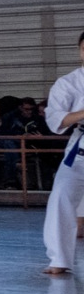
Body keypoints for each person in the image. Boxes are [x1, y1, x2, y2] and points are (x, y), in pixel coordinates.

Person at [45, 35, 84, 275]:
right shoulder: (69, 83)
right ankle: (59, 259)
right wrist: (82, 113)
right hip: (79, 155)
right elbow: (55, 119)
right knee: (60, 197)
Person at [0, 97, 53, 191]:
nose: (30, 112)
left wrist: (33, 135)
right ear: (20, 108)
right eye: (27, 109)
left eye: (32, 109)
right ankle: (17, 164)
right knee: (10, 144)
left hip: (30, 142)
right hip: (12, 141)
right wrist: (18, 135)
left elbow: (43, 130)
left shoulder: (37, 117)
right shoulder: (10, 117)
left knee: (11, 149)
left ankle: (12, 178)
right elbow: (2, 131)